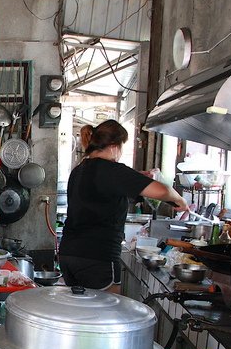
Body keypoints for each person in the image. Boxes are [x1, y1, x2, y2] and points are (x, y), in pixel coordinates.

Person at [59, 120, 188, 292]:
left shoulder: (80, 169)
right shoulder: (112, 170)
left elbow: (108, 185)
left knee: (82, 312)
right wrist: (180, 200)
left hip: (69, 254)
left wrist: (138, 177)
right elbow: (162, 191)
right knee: (106, 314)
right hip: (97, 257)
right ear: (113, 146)